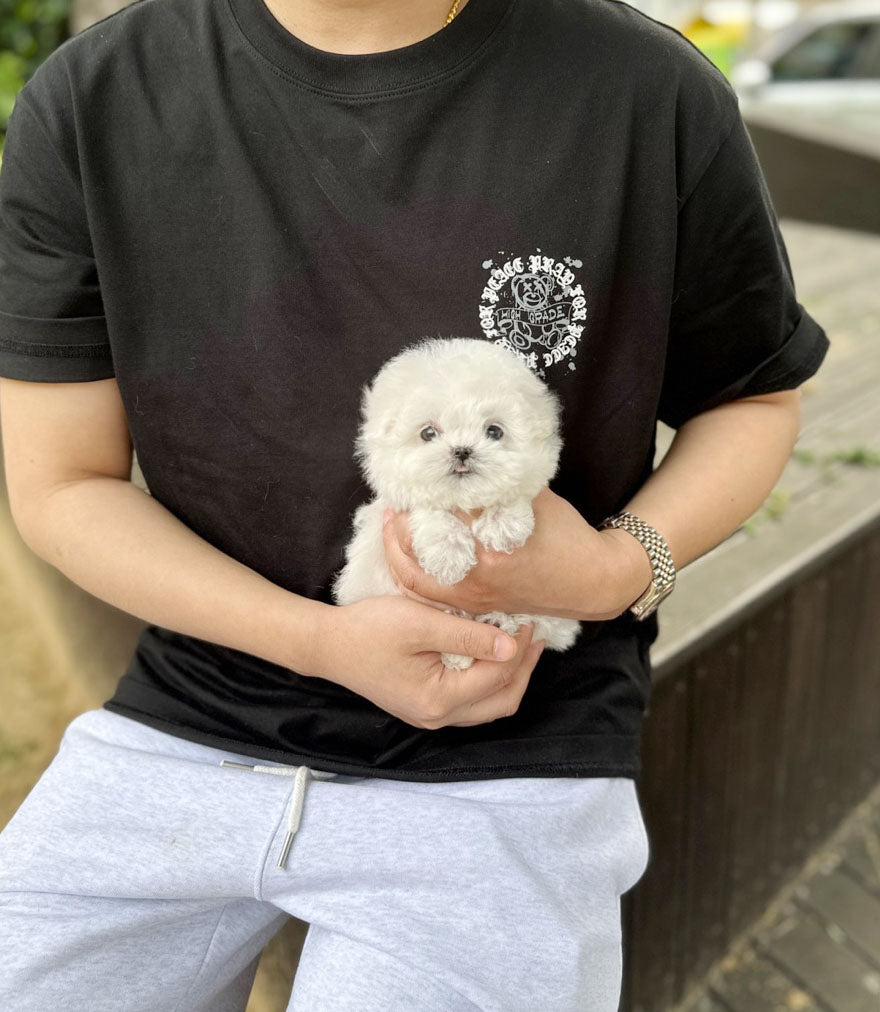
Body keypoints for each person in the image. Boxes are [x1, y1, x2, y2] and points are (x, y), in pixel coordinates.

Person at [0, 0, 828, 1008]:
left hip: (516, 745)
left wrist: (615, 568)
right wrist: (315, 638)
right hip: (186, 720)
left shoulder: (645, 92)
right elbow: (60, 484)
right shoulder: (95, 98)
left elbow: (752, 396)